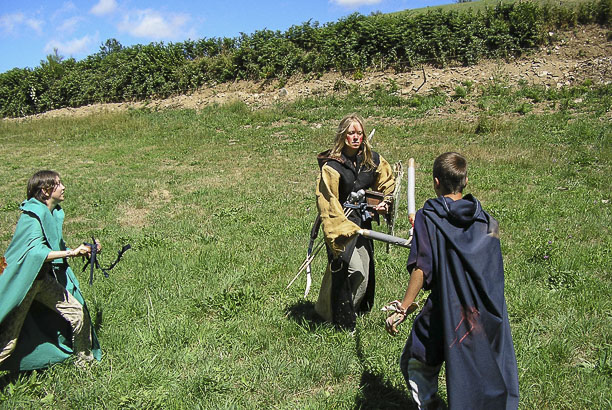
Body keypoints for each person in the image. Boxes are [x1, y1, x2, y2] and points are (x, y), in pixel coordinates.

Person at [385, 152, 519, 409]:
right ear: (465, 180)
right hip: (484, 314)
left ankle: (431, 405)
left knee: (416, 361)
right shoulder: (488, 222)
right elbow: (493, 271)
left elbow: (422, 269)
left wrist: (403, 307)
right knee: (479, 369)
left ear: (436, 182)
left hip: (446, 310)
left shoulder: (429, 216)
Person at [0, 170, 101, 371]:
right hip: (24, 284)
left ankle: (84, 363)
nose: (63, 187)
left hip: (42, 280)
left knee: (78, 314)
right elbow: (35, 252)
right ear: (46, 191)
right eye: (58, 184)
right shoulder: (32, 216)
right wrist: (71, 253)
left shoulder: (51, 213)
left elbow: (55, 248)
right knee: (7, 343)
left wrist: (86, 249)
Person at [315, 113, 395, 330]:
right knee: (353, 269)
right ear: (343, 135)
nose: (356, 137)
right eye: (351, 133)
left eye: (359, 133)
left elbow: (387, 181)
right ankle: (332, 315)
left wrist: (383, 202)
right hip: (340, 225)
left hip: (363, 224)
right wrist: (340, 229)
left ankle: (346, 312)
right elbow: (327, 201)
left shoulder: (371, 159)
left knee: (365, 274)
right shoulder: (332, 166)